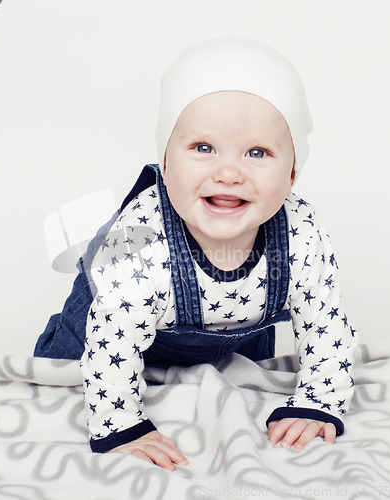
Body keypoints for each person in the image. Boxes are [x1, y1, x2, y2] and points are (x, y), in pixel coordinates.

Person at [34, 38, 357, 471]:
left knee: (245, 382)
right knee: (55, 387)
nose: (228, 172)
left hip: (229, 335)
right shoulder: (139, 236)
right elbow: (113, 336)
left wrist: (319, 400)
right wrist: (121, 423)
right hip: (108, 332)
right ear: (165, 163)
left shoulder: (299, 231)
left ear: (293, 173)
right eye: (203, 148)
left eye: (257, 152)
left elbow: (325, 321)